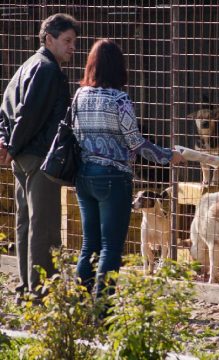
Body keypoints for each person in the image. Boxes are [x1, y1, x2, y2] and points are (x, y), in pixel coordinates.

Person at [73, 39, 185, 302]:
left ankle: (78, 305)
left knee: (89, 244)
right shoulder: (119, 99)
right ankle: (103, 310)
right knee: (111, 246)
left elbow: (75, 134)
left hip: (84, 175)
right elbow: (136, 142)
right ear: (118, 68)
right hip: (113, 178)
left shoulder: (79, 95)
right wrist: (169, 156)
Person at [0, 14, 80, 302]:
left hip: (22, 157)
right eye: (67, 41)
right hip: (39, 157)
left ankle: (25, 289)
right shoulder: (48, 69)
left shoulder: (27, 65)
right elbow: (30, 115)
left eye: (74, 42)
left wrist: (6, 143)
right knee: (44, 226)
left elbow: (6, 107)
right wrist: (11, 145)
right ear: (49, 39)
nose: (73, 47)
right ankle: (42, 295)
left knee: (25, 223)